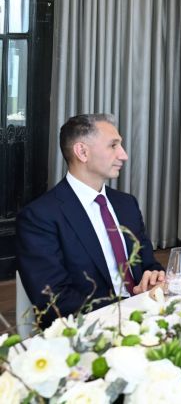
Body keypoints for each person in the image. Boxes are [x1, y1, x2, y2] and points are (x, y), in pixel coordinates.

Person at [16, 114, 164, 326]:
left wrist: (155, 277)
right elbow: (54, 300)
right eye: (113, 145)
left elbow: (149, 263)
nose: (124, 155)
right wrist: (128, 309)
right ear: (82, 152)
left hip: (146, 315)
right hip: (90, 328)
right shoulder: (39, 217)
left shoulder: (126, 204)